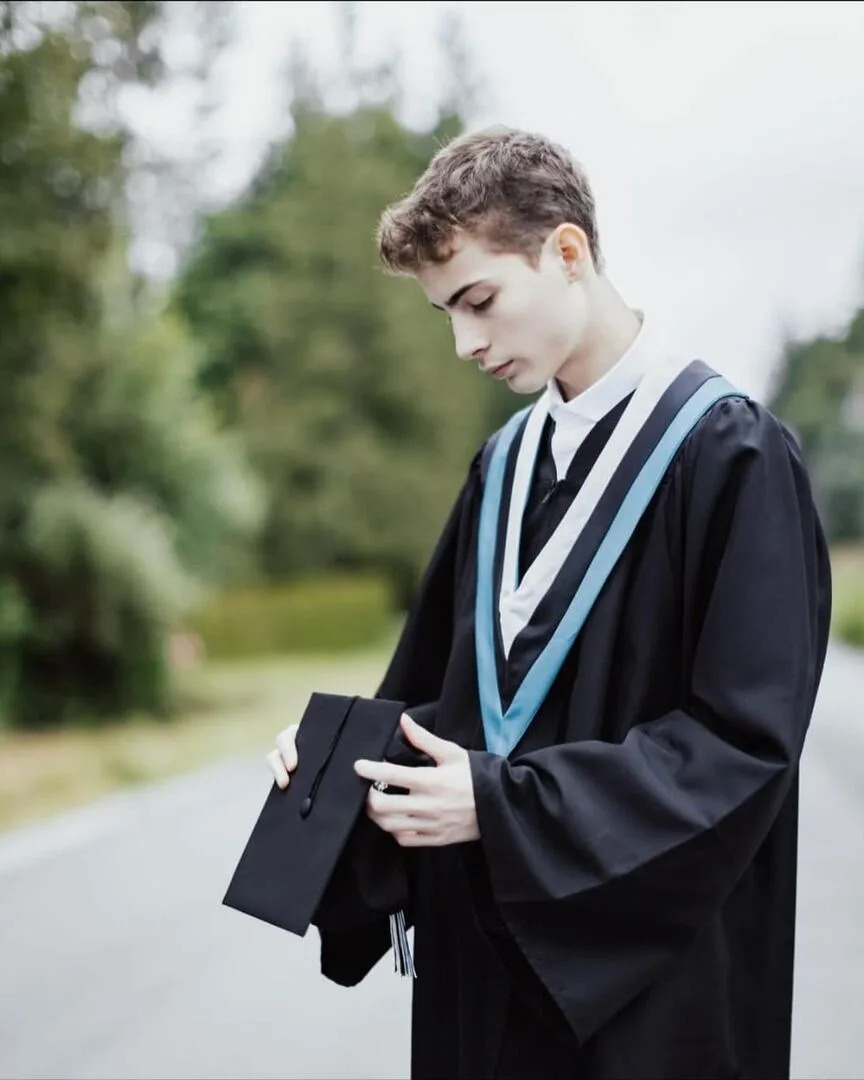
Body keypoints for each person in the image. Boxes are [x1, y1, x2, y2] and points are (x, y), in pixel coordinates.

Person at [265, 127, 832, 1080]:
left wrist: (501, 805)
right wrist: (336, 764)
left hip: (651, 989)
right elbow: (439, 707)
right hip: (483, 978)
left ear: (567, 252)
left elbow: (745, 742)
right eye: (446, 313)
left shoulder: (730, 455)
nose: (464, 343)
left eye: (479, 301)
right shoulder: (503, 469)